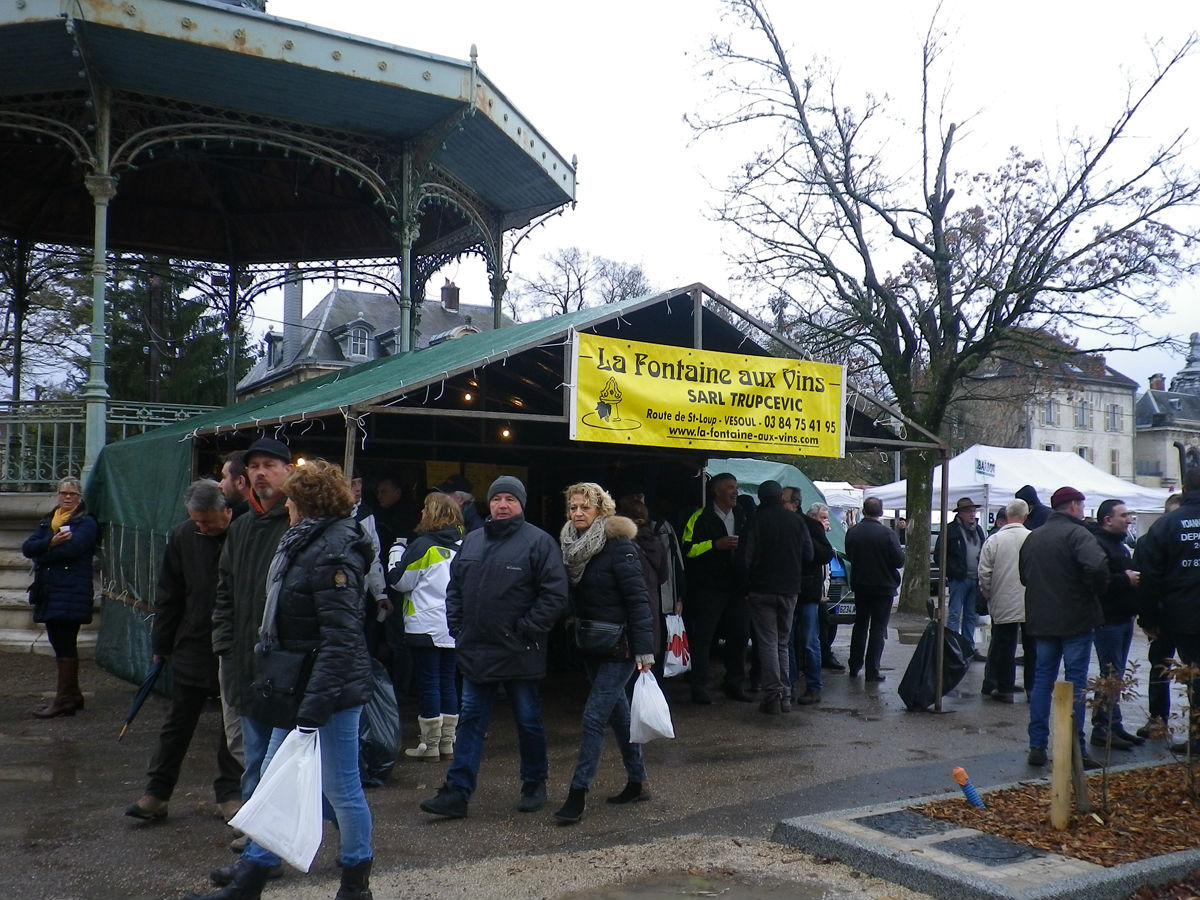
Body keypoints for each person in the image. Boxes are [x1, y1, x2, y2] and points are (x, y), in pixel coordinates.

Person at [187, 459, 376, 900]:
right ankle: (253, 875)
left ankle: (354, 883)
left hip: (326, 691)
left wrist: (314, 708)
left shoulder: (332, 552)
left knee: (343, 787)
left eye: (292, 497)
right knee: (274, 778)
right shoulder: (306, 543)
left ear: (307, 504)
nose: (285, 503)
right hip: (298, 684)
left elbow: (341, 638)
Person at [419, 476, 568, 820]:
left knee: (528, 721)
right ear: (489, 504)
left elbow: (555, 594)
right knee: (470, 721)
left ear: (521, 504)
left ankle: (534, 782)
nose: (503, 505)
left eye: (510, 499)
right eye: (497, 498)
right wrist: (458, 627)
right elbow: (454, 589)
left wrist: (527, 629)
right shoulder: (471, 542)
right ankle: (457, 792)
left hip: (520, 651)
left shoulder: (538, 543)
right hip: (477, 651)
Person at [125, 481, 243, 823]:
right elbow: (169, 593)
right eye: (197, 521)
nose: (202, 528)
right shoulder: (182, 536)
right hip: (192, 639)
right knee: (178, 721)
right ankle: (157, 792)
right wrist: (161, 645)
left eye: (208, 521)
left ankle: (229, 793)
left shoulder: (242, 534)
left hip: (233, 641)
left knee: (231, 723)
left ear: (227, 511)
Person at [553, 483, 655, 824]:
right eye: (573, 508)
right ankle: (638, 781)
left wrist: (644, 649)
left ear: (601, 510)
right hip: (591, 642)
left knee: (593, 717)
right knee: (618, 716)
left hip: (620, 646)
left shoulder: (619, 546)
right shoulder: (570, 545)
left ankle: (577, 793)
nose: (577, 513)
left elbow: (638, 600)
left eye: (585, 507)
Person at [210, 437, 293, 854]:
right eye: (254, 466)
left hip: (283, 662)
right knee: (252, 752)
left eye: (269, 465)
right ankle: (259, 832)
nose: (261, 473)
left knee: (283, 757)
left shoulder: (297, 524)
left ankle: (273, 839)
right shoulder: (241, 526)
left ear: (287, 471)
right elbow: (224, 590)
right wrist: (223, 643)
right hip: (241, 657)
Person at [1018, 486, 1108, 769]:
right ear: (1072, 507)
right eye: (1081, 506)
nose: (1083, 511)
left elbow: (1024, 576)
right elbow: (1096, 568)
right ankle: (1075, 749)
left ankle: (1037, 745)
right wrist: (1093, 592)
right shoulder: (1078, 534)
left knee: (1043, 681)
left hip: (1043, 620)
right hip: (1076, 618)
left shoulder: (1034, 538)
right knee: (1076, 683)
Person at [389, 490, 463, 761]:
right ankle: (447, 743)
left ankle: (429, 745)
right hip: (453, 626)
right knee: (448, 683)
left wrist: (396, 553)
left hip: (424, 625)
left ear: (432, 514)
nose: (420, 513)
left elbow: (399, 581)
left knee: (429, 683)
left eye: (424, 508)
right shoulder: (461, 546)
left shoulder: (423, 546)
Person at [23, 476, 98, 719]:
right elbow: (27, 546)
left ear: (79, 498)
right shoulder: (50, 520)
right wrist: (50, 542)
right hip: (50, 590)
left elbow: (72, 550)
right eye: (64, 493)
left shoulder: (86, 522)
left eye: (72, 494)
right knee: (59, 641)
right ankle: (72, 695)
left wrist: (44, 551)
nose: (67, 497)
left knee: (65, 641)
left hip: (71, 591)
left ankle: (64, 699)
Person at [1137, 471, 1200, 753]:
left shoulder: (1166, 526)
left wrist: (1148, 619)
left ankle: (1197, 737)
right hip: (1183, 612)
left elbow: (1149, 578)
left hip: (1180, 614)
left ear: (1185, 489)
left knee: (1193, 675)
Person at [741, 480, 812, 714]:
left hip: (762, 589)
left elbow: (745, 558)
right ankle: (786, 695)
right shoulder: (796, 521)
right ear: (781, 497)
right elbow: (809, 554)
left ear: (761, 498)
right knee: (783, 641)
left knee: (768, 642)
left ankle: (773, 694)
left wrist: (746, 586)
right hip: (790, 589)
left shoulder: (755, 521)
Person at [680, 472, 750, 704]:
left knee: (739, 636)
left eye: (736, 487)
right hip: (708, 589)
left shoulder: (743, 515)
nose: (735, 492)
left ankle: (735, 684)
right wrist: (714, 545)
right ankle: (699, 686)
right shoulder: (699, 518)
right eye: (730, 487)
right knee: (703, 638)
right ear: (716, 491)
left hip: (737, 588)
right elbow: (687, 550)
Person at [1088, 498, 1143, 751]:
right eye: (1123, 515)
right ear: (1108, 520)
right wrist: (1125, 578)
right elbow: (1100, 583)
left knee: (1117, 676)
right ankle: (1102, 728)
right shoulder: (1099, 545)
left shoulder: (1120, 545)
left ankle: (1114, 724)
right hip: (1108, 620)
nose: (1129, 519)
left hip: (1122, 618)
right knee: (1110, 675)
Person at [1136, 492, 1182, 739]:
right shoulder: (1149, 541)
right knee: (1159, 666)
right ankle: (1158, 719)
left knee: (1191, 668)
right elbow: (1145, 582)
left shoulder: (1150, 540)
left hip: (1185, 614)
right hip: (1164, 615)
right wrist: (1148, 618)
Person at [843, 496, 904, 682]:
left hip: (861, 585)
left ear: (863, 511)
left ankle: (854, 665)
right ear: (881, 512)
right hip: (883, 587)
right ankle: (872, 670)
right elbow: (899, 560)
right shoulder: (888, 534)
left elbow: (849, 555)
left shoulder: (853, 532)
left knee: (860, 626)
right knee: (878, 629)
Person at [978, 499, 1031, 703]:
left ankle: (1005, 688)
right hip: (1030, 601)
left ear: (1007, 516)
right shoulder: (1033, 538)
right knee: (1031, 647)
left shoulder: (994, 540)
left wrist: (989, 594)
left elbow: (984, 573)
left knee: (1004, 646)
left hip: (1002, 599)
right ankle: (1032, 688)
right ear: (1025, 516)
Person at [790, 498, 835, 703]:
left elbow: (825, 555)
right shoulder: (791, 525)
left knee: (808, 640)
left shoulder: (812, 529)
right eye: (823, 518)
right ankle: (793, 685)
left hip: (807, 592)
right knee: (796, 641)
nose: (826, 522)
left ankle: (812, 686)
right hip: (798, 590)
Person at [615, 497, 669, 662]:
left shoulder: (621, 544)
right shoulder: (656, 542)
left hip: (626, 606)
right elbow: (664, 576)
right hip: (651, 602)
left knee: (626, 660)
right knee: (646, 657)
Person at [934, 497, 986, 656]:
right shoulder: (950, 530)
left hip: (974, 578)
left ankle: (968, 647)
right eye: (969, 511)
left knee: (971, 615)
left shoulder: (978, 530)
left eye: (973, 511)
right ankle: (952, 647)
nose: (972, 514)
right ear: (960, 513)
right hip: (959, 579)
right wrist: (953, 571)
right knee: (955, 613)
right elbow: (938, 555)